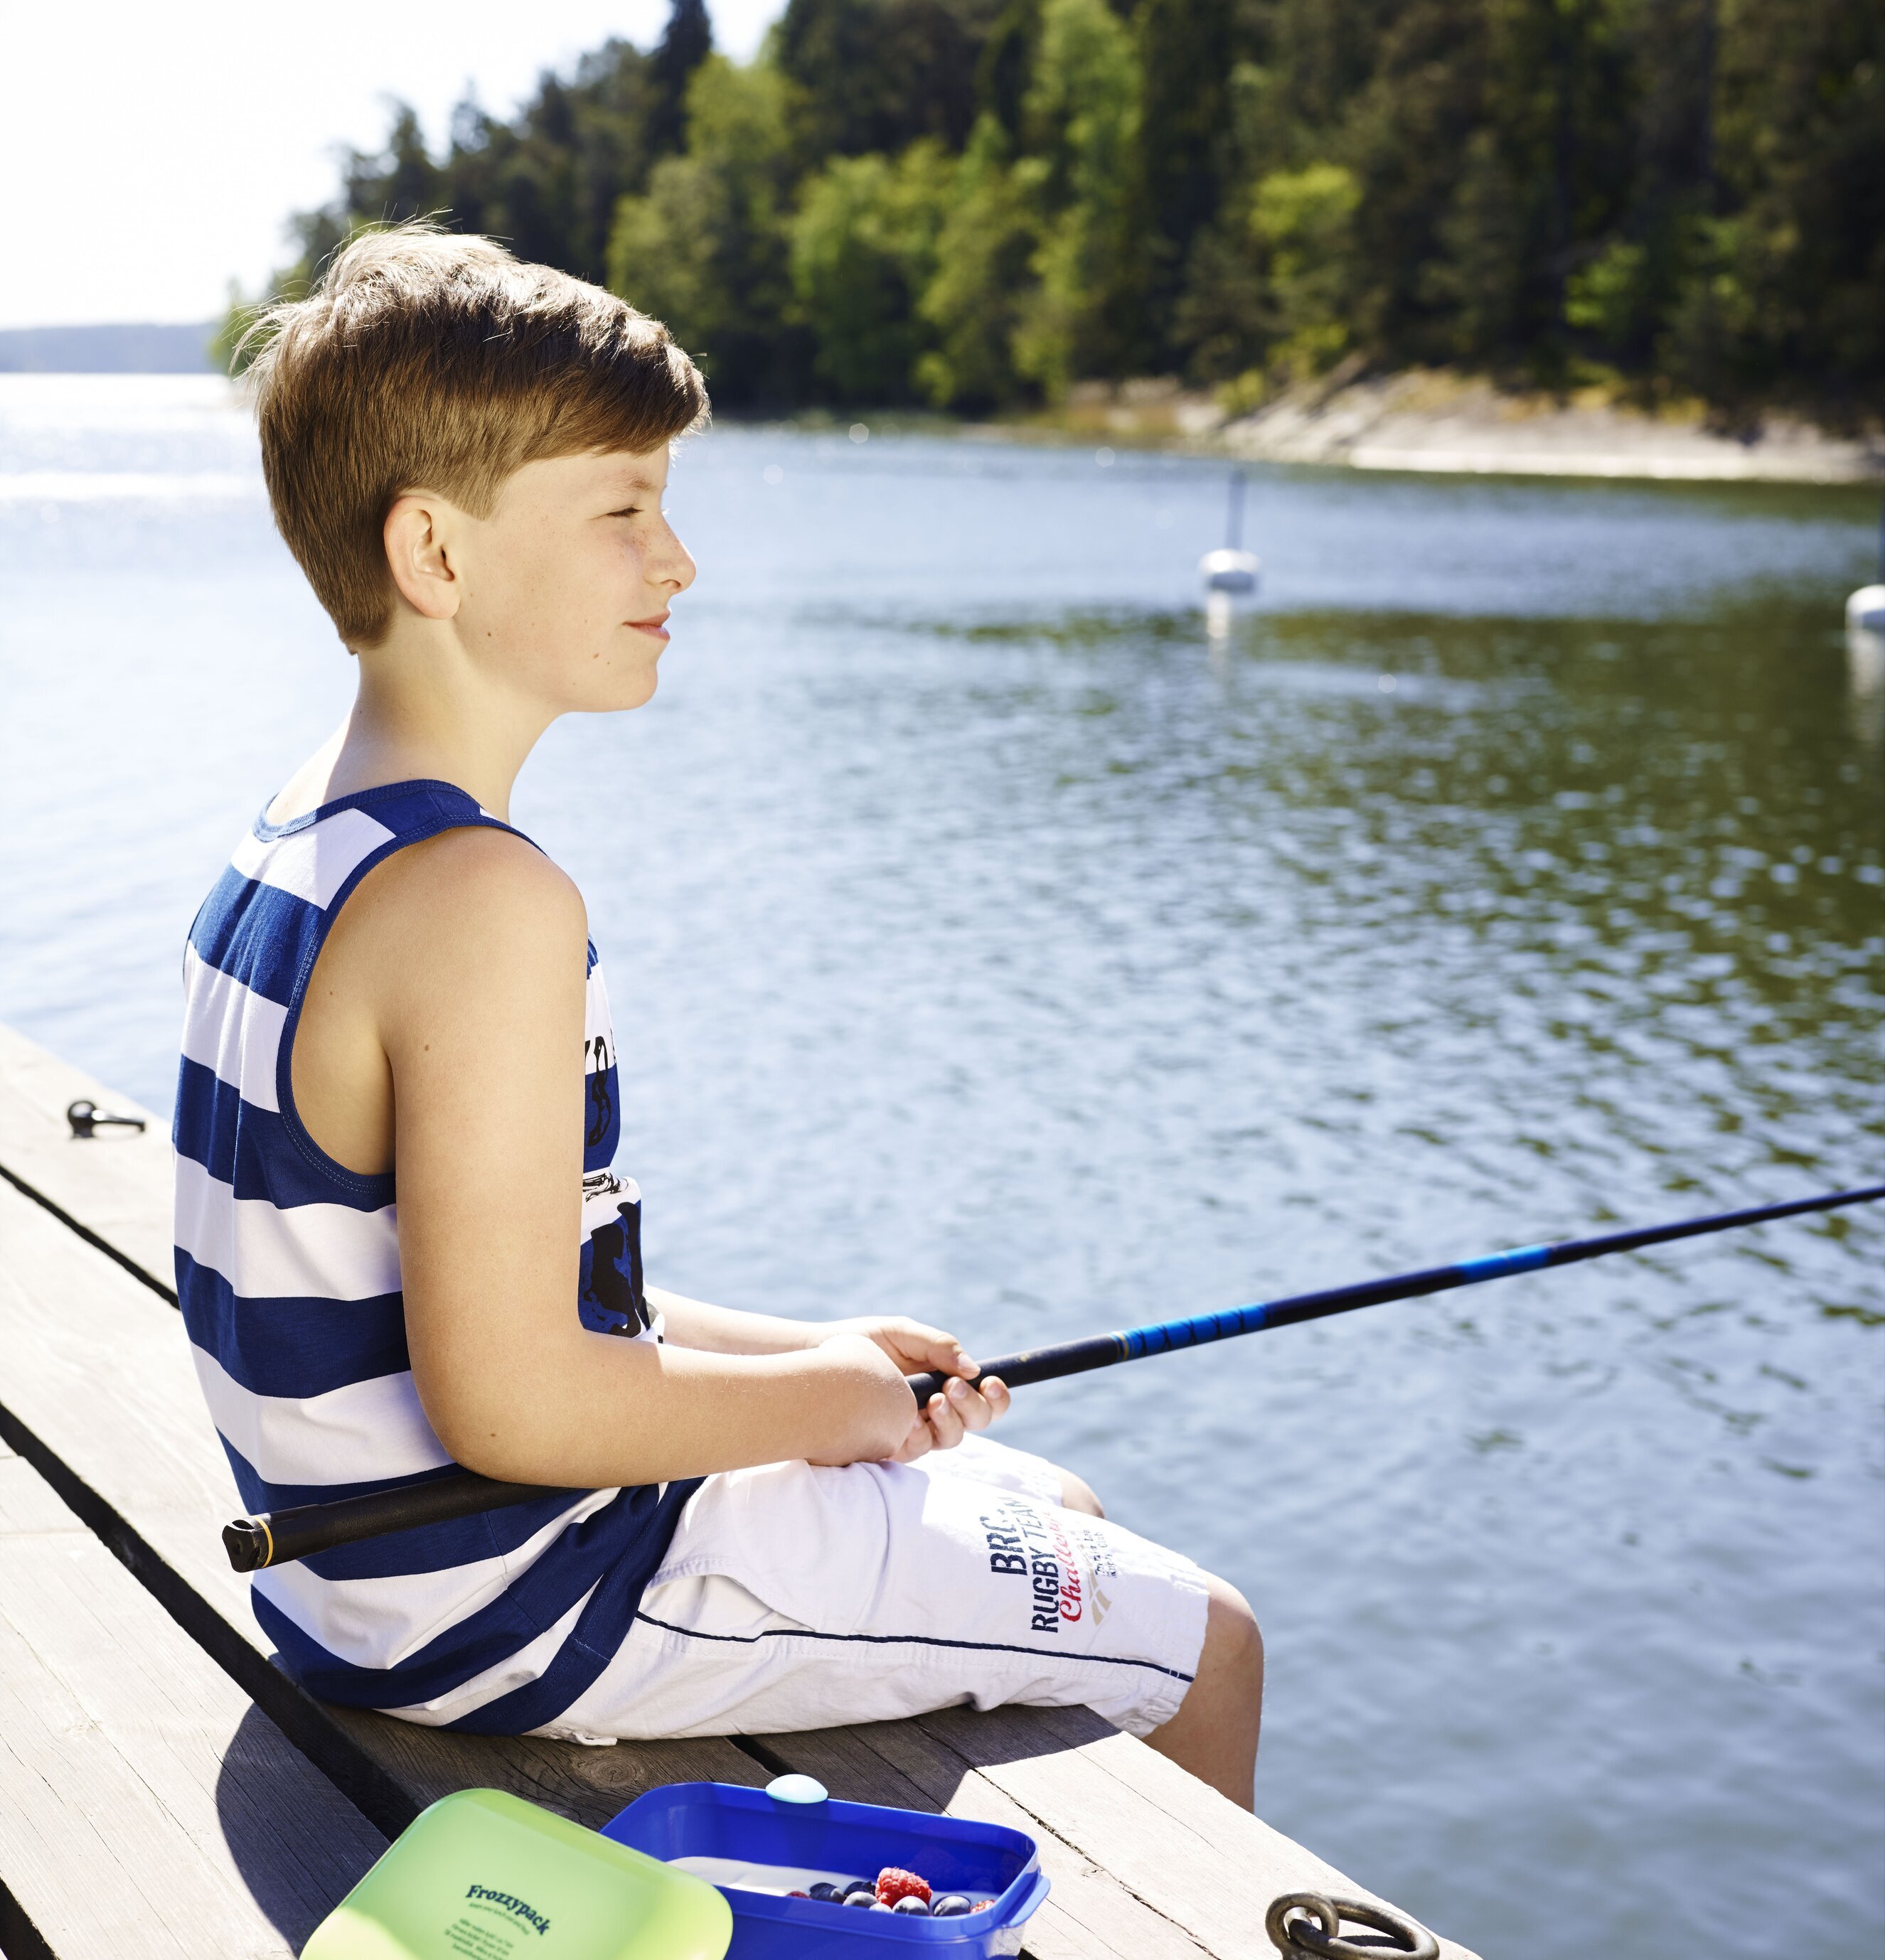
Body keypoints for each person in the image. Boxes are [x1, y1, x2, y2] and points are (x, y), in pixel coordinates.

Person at [173, 225, 1262, 1803]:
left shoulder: (304, 839)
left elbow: (522, 1286)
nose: (675, 560)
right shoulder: (483, 906)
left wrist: (818, 1353)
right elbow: (514, 1394)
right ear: (438, 554)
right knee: (1209, 1640)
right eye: (624, 509)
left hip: (367, 1590)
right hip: (522, 1603)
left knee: (1063, 1509)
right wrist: (831, 1407)